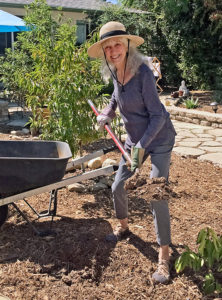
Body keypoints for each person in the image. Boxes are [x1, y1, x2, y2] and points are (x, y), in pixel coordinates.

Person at [87, 21, 177, 284]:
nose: (113, 50)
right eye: (108, 46)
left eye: (117, 44)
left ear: (127, 45)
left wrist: (140, 147)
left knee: (156, 193)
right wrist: (107, 112)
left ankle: (163, 257)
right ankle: (124, 227)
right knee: (118, 186)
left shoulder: (143, 74)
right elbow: (117, 97)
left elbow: (158, 115)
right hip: (134, 140)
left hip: (158, 139)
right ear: (104, 52)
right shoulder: (116, 72)